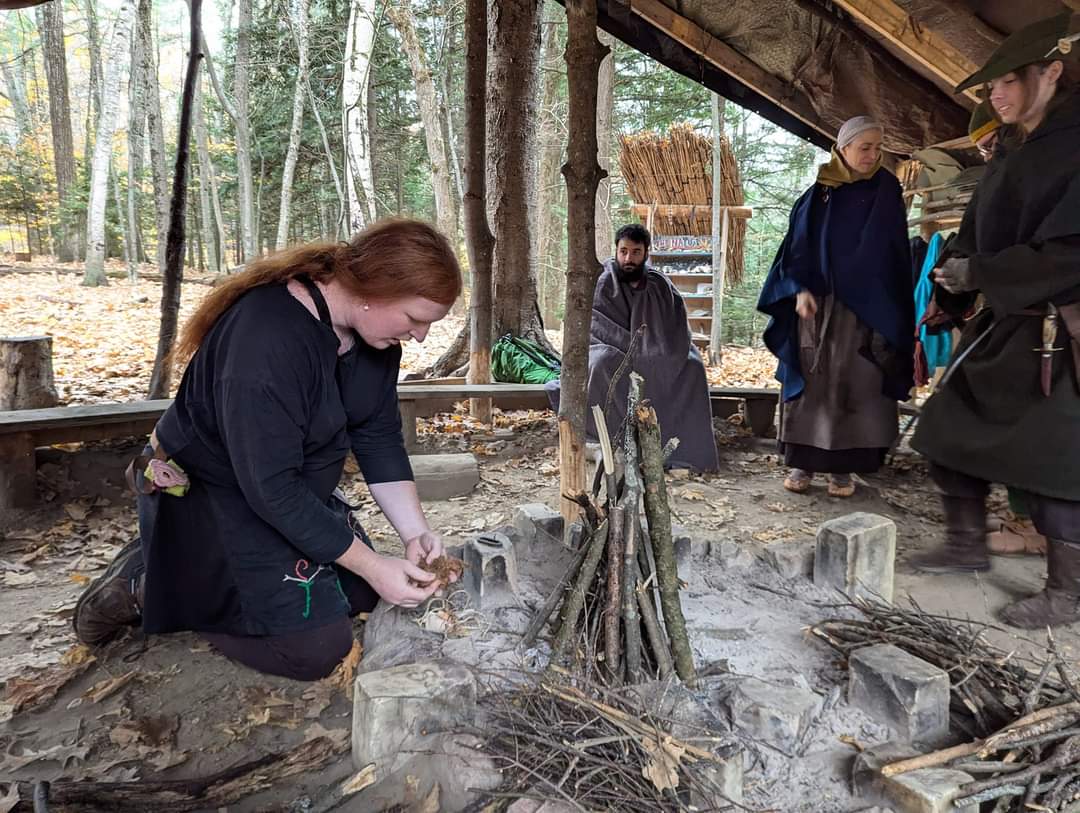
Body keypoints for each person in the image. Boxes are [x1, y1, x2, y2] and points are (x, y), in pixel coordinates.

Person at [73, 218, 463, 679]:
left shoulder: (375, 339)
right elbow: (269, 486)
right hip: (215, 494)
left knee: (363, 594)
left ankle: (192, 573)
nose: (420, 337)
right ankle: (152, 581)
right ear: (371, 289)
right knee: (317, 649)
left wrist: (414, 534)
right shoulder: (266, 338)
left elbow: (377, 437)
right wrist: (373, 563)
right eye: (415, 319)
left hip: (284, 492)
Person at [910, 12, 1080, 628]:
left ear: (1051, 73)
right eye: (991, 88)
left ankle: (1065, 591)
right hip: (1009, 322)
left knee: (1059, 460)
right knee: (947, 422)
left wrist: (983, 276)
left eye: (1008, 82)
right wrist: (952, 291)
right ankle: (965, 546)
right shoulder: (1010, 150)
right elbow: (974, 237)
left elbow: (1070, 250)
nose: (997, 97)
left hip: (1062, 331)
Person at [757, 116, 914, 498]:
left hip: (868, 309)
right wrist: (798, 289)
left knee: (858, 383)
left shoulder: (886, 190)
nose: (873, 155)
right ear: (843, 149)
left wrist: (878, 296)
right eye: (865, 147)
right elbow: (796, 249)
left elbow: (893, 250)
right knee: (815, 383)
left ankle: (843, 470)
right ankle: (802, 461)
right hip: (820, 307)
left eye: (878, 148)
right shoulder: (820, 194)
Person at [544, 224, 718, 471]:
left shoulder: (660, 285)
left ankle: (678, 447)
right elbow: (595, 326)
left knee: (693, 366)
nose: (628, 258)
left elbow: (677, 328)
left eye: (635, 252)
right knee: (600, 362)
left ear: (646, 252)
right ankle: (610, 441)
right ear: (616, 250)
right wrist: (631, 349)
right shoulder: (604, 281)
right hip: (611, 350)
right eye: (623, 251)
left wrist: (654, 351)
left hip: (659, 350)